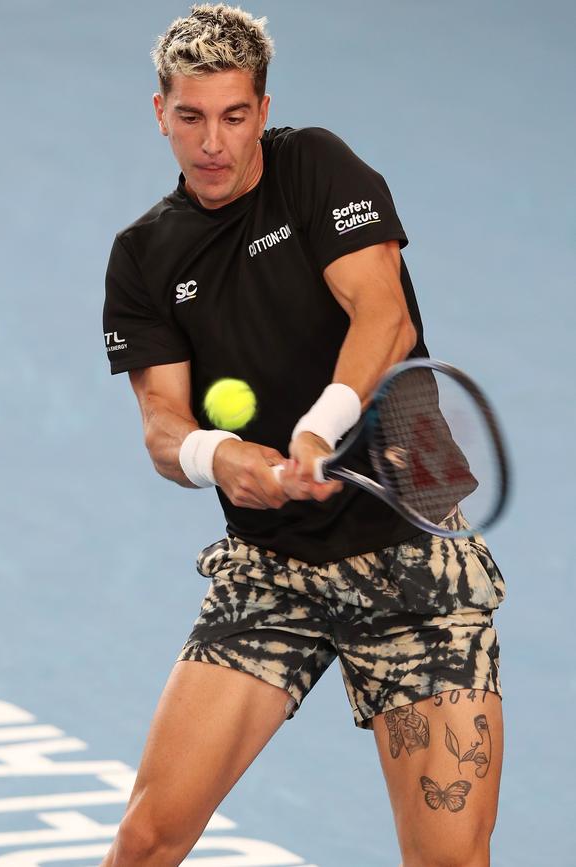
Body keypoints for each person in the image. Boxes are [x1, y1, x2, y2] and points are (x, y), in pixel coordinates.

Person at [100, 5, 507, 866]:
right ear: (159, 111)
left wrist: (320, 428)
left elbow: (384, 315)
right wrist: (225, 457)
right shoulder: (144, 254)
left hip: (412, 555)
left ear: (264, 108)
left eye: (235, 115)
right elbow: (163, 427)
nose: (213, 141)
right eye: (191, 116)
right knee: (144, 840)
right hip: (270, 566)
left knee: (447, 860)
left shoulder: (314, 165)